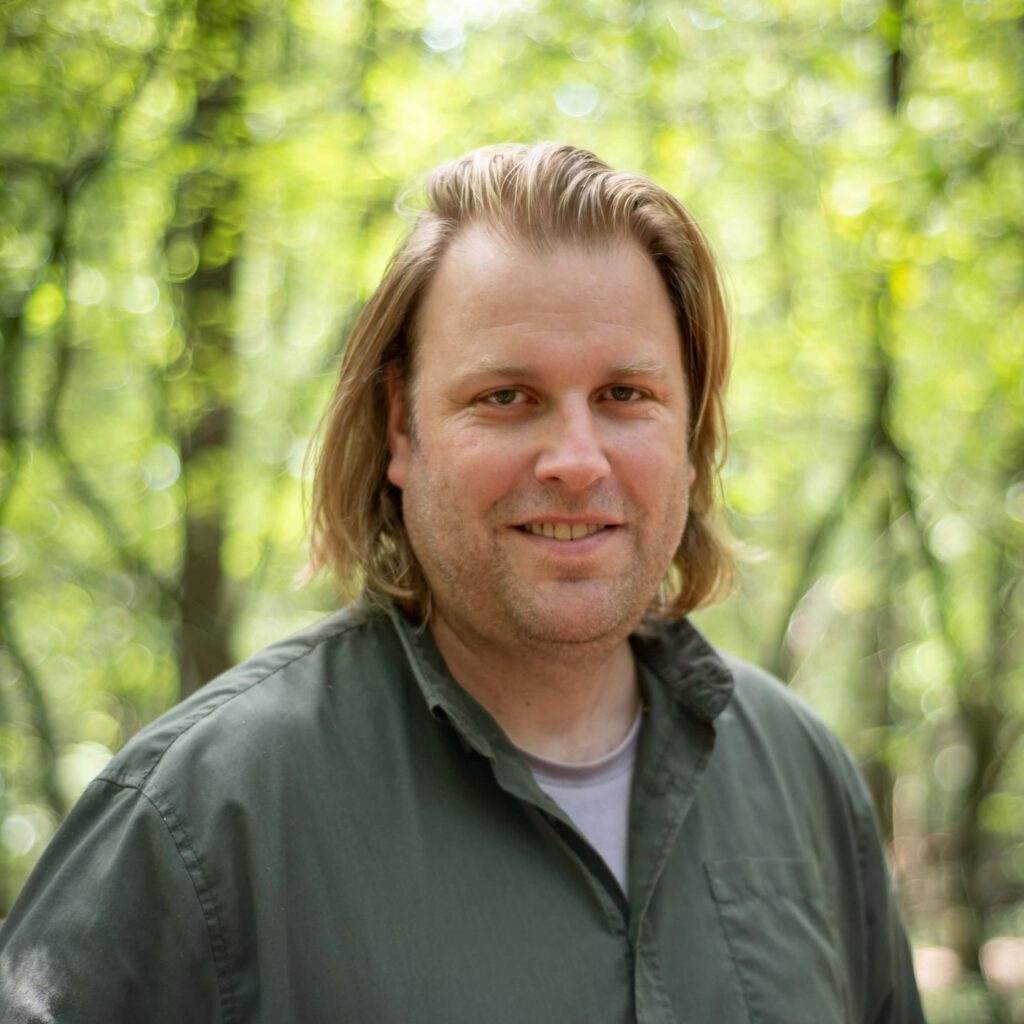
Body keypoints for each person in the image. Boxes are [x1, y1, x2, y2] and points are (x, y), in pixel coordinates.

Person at [0, 142, 925, 1023]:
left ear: (689, 436)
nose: (576, 459)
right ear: (401, 430)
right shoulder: (201, 816)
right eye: (506, 398)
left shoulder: (804, 778)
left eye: (625, 396)